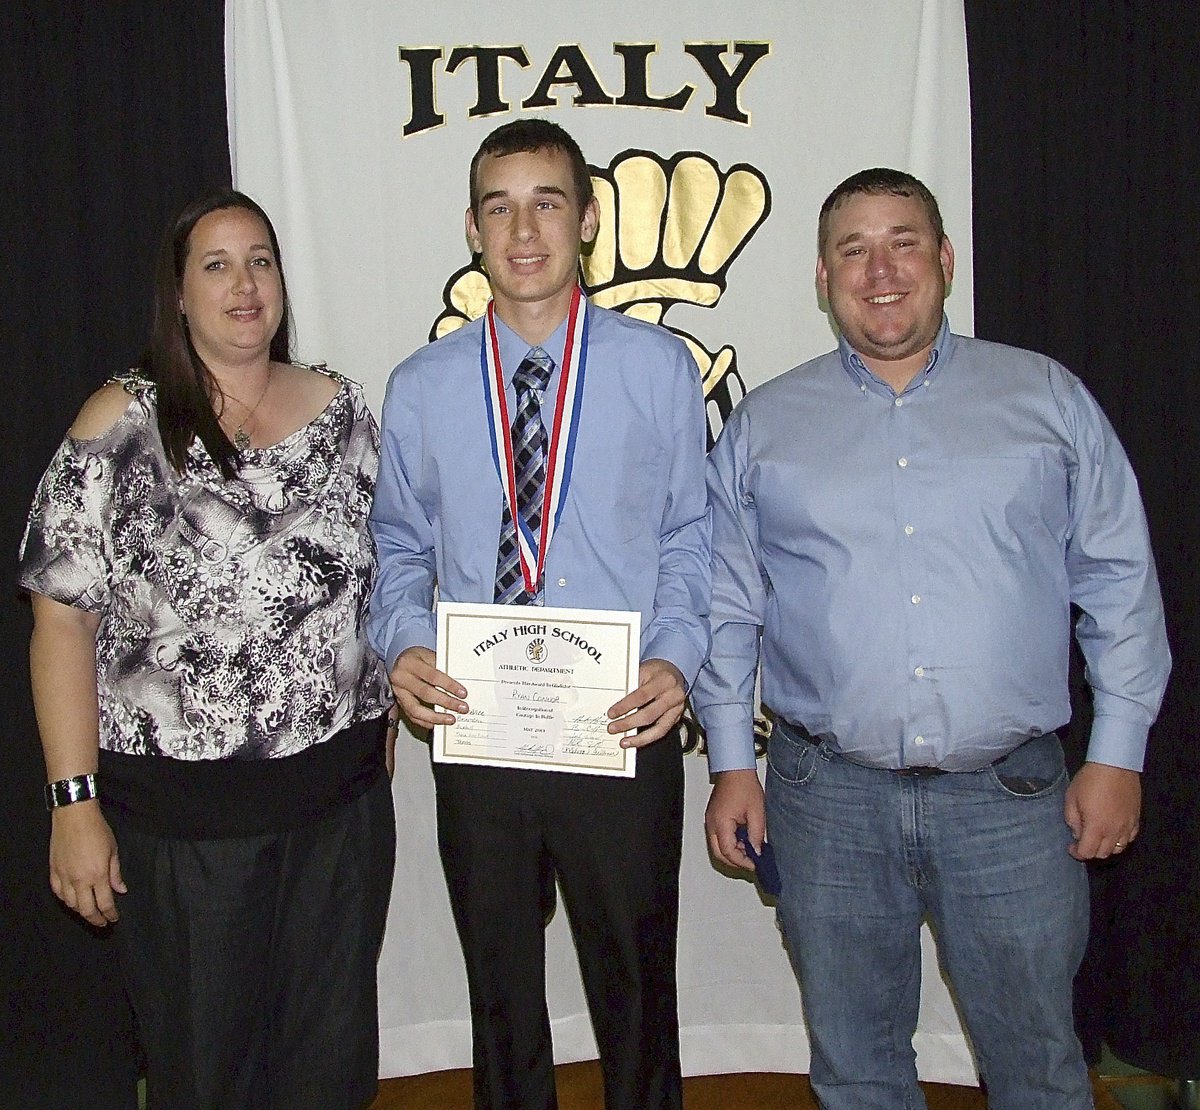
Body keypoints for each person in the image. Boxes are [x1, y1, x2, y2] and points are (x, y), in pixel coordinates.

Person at [693, 168, 1171, 1109]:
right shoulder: (766, 427)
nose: (881, 270)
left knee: (1037, 1062)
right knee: (856, 1063)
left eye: (904, 241)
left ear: (944, 260)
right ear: (822, 278)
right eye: (852, 249)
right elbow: (725, 605)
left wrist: (1119, 754)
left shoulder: (1046, 400)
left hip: (1013, 799)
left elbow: (1119, 583)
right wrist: (726, 764)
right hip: (822, 799)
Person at [19, 189, 396, 1110]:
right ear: (178, 295)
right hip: (184, 833)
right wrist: (74, 806)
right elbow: (60, 620)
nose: (244, 284)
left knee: (330, 1070)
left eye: (260, 260)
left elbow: (390, 580)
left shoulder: (345, 413)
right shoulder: (118, 423)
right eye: (217, 265)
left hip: (338, 821)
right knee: (206, 1074)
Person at [368, 118, 710, 1110]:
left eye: (547, 202)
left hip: (620, 723)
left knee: (638, 990)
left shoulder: (658, 370)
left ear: (588, 219)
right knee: (502, 996)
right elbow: (397, 547)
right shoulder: (424, 387)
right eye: (499, 206)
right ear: (471, 229)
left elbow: (692, 537)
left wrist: (678, 662)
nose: (524, 230)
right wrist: (404, 643)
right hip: (480, 727)